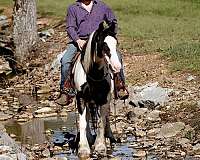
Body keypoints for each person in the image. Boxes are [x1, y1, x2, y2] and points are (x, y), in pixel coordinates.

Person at [56, 0, 129, 105]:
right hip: (80, 40)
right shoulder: (73, 8)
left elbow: (113, 21)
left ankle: (120, 86)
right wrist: (78, 40)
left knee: (117, 56)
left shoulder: (102, 6)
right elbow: (70, 27)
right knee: (65, 60)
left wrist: (109, 34)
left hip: (99, 41)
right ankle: (66, 91)